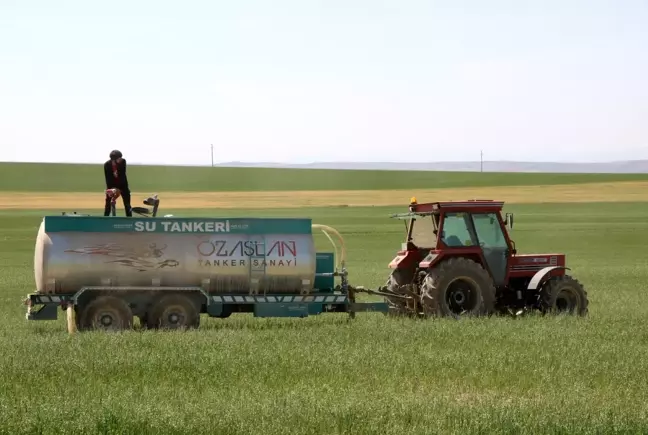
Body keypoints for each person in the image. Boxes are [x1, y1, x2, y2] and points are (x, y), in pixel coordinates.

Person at [103, 150, 132, 216]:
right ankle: (105, 217)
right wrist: (112, 189)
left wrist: (119, 189)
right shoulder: (107, 165)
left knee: (127, 204)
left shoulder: (123, 162)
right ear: (114, 159)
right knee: (108, 202)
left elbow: (122, 174)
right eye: (119, 158)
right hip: (111, 185)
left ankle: (129, 218)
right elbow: (108, 178)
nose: (121, 159)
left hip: (123, 185)